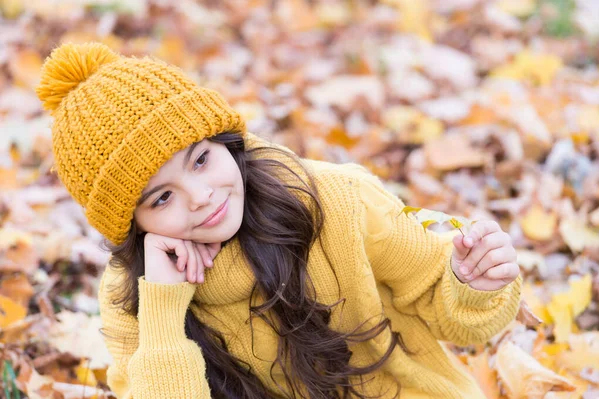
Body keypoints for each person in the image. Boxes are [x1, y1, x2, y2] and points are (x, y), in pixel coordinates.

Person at [36, 42, 522, 399]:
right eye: (162, 197)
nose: (202, 197)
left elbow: (443, 304)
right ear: (133, 223)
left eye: (200, 160)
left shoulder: (333, 200)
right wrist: (163, 311)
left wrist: (469, 283)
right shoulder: (135, 293)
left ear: (224, 140)